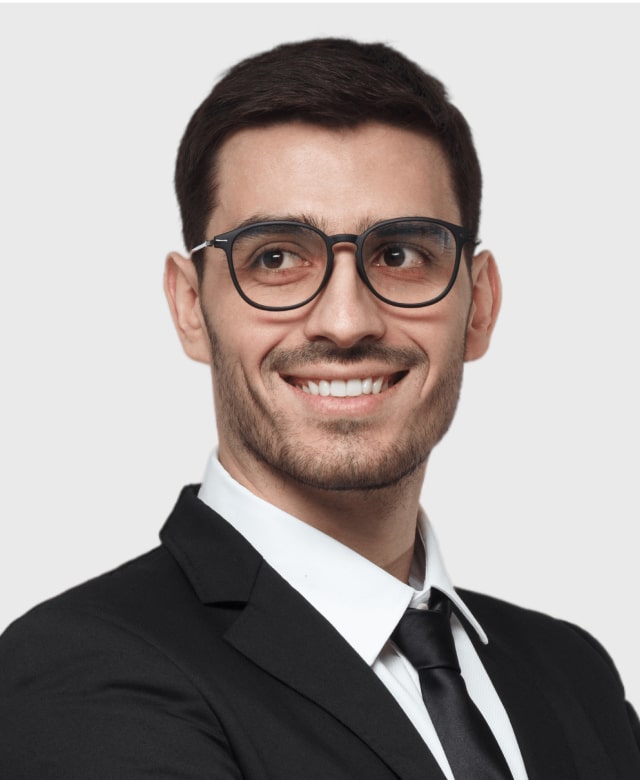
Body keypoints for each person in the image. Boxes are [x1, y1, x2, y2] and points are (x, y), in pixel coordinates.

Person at [0, 37, 638, 779]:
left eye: (401, 254)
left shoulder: (575, 675)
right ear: (190, 307)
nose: (345, 321)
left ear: (481, 305)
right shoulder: (85, 668)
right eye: (275, 257)